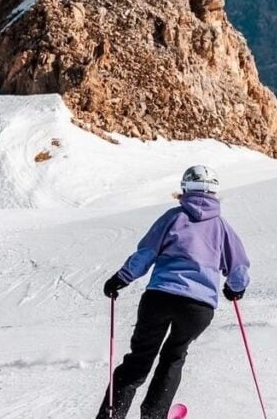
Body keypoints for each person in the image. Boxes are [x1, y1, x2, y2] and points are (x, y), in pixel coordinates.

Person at [96, 165, 250, 419]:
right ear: (214, 192)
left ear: (185, 189)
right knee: (173, 357)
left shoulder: (173, 217)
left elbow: (146, 253)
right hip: (198, 307)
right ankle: (154, 414)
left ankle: (112, 414)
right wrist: (234, 289)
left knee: (140, 358)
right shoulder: (222, 228)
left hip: (160, 298)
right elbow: (239, 267)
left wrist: (121, 278)